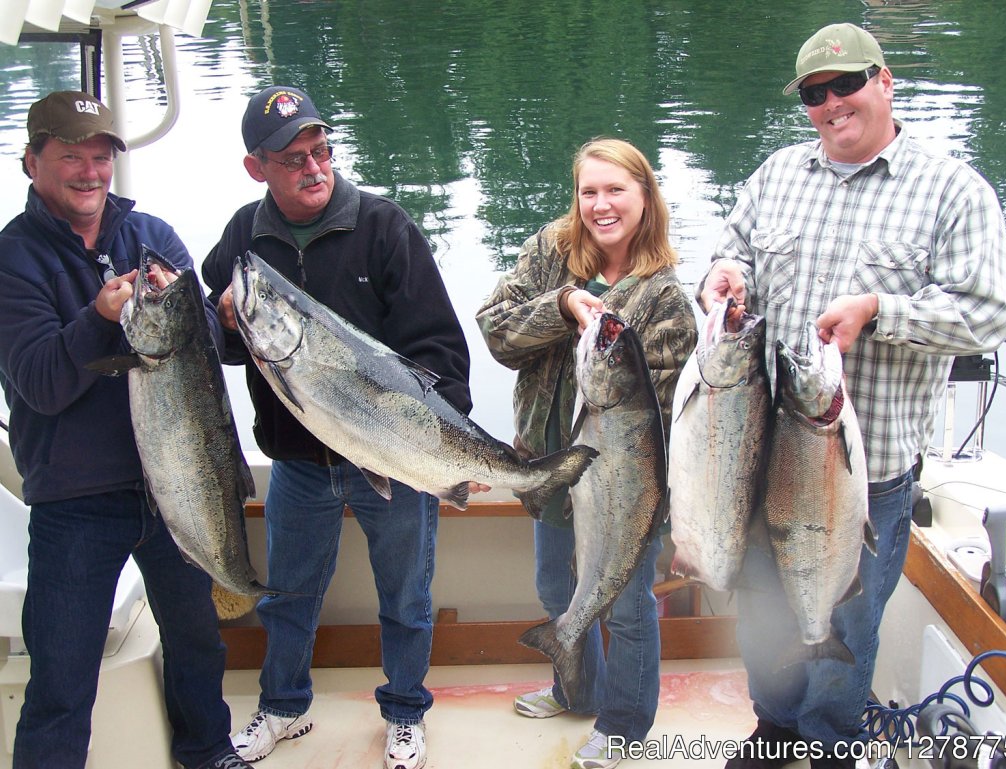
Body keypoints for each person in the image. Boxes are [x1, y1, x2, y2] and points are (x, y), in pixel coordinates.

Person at [698, 24, 1006, 769]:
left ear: (884, 79)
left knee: (850, 614)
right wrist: (724, 277)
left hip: (867, 475)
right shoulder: (777, 173)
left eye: (846, 85)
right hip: (763, 453)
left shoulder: (954, 190)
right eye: (814, 93)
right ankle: (775, 730)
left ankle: (832, 739)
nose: (832, 104)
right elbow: (731, 248)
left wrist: (881, 310)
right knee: (768, 610)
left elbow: (987, 314)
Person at [201, 85, 473, 769]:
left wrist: (430, 442)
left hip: (394, 456)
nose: (315, 167)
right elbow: (216, 338)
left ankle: (406, 713)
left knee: (406, 598)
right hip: (298, 461)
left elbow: (443, 356)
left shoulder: (385, 228)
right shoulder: (243, 236)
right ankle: (283, 707)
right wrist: (228, 320)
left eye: (321, 150)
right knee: (288, 598)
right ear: (256, 167)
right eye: (293, 159)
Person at [0, 91, 250, 769]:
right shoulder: (13, 259)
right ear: (32, 162)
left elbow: (200, 347)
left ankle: (208, 751)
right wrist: (100, 316)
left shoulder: (153, 236)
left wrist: (211, 314)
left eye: (101, 156)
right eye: (71, 156)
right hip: (74, 504)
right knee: (61, 675)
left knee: (199, 639)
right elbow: (40, 381)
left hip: (175, 489)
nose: (90, 171)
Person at [476, 137, 697, 769]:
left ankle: (624, 726)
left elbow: (657, 420)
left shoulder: (666, 303)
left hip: (623, 488)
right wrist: (563, 306)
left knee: (626, 607)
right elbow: (496, 329)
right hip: (548, 467)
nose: (601, 205)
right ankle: (578, 691)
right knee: (556, 587)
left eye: (616, 190)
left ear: (645, 196)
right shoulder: (551, 251)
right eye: (589, 191)